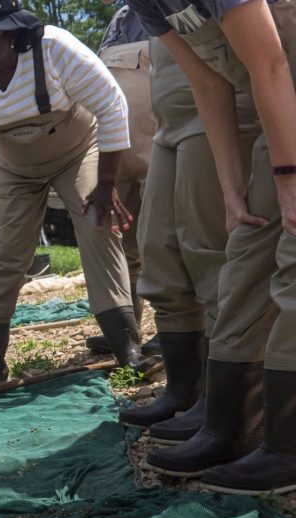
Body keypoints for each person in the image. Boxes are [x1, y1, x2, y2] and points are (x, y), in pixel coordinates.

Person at [127, 0, 296, 494]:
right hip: (278, 108)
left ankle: (288, 447)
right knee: (246, 255)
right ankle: (232, 426)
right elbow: (208, 82)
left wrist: (287, 176)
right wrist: (231, 189)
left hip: (282, 82)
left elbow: (269, 61)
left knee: (293, 260)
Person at [0, 0, 146, 391]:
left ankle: (127, 348)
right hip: (14, 167)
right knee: (8, 255)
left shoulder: (56, 49)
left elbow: (112, 105)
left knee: (97, 226)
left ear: (13, 33)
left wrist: (106, 184)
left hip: (78, 150)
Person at [117, 13, 259, 438]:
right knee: (158, 252)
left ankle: (226, 405)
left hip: (219, 111)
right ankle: (183, 390)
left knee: (210, 258)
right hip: (170, 124)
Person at [89, 4, 156, 356]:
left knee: (163, 238)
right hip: (116, 154)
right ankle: (129, 329)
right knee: (121, 245)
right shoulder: (118, 19)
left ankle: (178, 327)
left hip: (157, 145)